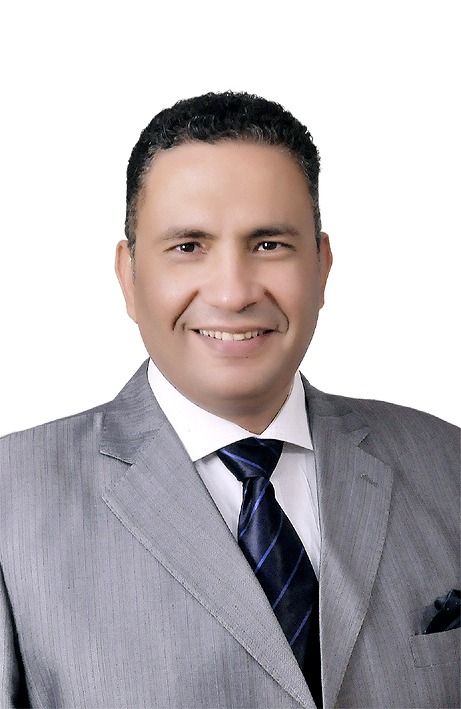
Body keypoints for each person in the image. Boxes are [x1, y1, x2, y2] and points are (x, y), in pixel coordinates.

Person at [0, 92, 459, 709]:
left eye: (269, 244)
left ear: (321, 266)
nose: (233, 292)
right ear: (128, 276)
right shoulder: (10, 500)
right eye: (188, 246)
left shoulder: (447, 463)